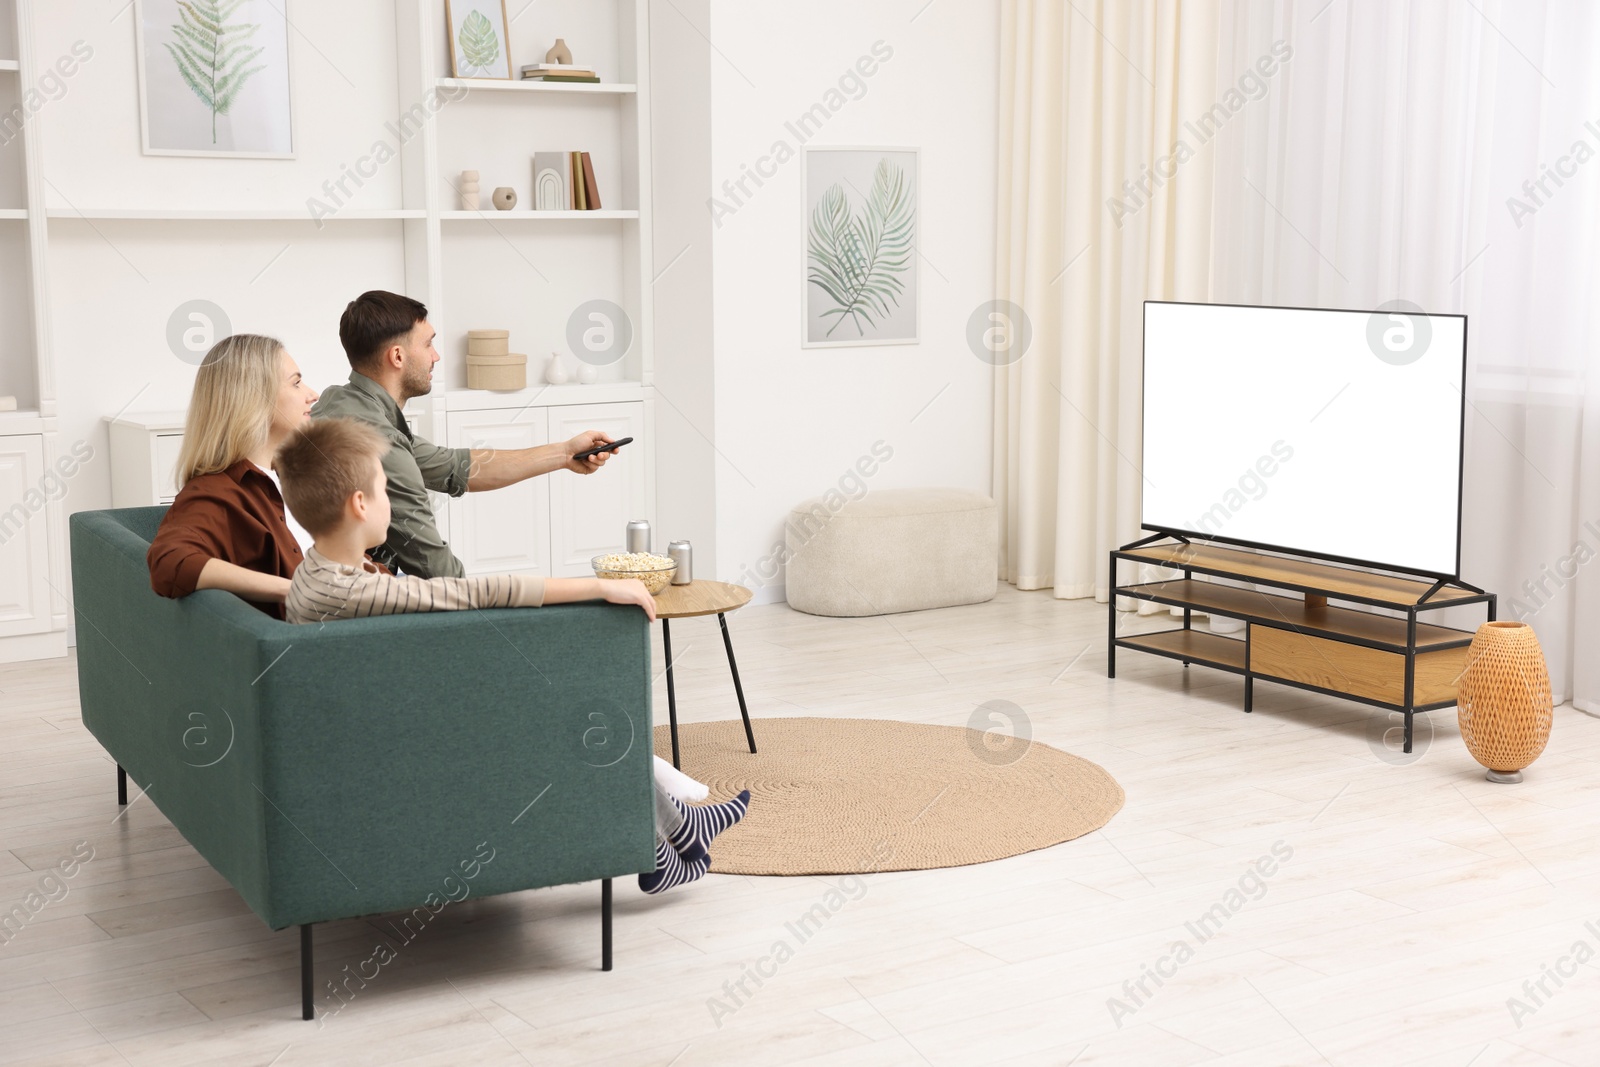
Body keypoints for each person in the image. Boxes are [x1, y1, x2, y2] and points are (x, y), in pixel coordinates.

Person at [274, 417, 749, 893]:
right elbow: (473, 592)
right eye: (384, 490)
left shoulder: (316, 572)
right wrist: (597, 587)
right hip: (404, 753)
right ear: (359, 505)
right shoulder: (348, 592)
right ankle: (678, 835)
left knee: (561, 704)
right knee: (576, 717)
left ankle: (677, 835)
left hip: (383, 731)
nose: (391, 502)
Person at [312, 290, 625, 579]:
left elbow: (454, 467)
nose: (436, 356)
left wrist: (565, 453)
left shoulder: (341, 401)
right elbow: (433, 565)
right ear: (397, 357)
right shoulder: (380, 443)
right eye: (428, 344)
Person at [147, 334, 319, 619]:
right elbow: (169, 563)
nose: (312, 394)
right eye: (296, 383)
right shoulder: (217, 492)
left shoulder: (290, 477)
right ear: (254, 397)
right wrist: (292, 588)